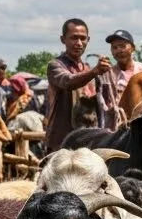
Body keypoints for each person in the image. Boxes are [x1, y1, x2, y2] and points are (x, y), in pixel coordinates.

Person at [46, 18, 111, 149]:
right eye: (74, 38)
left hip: (88, 142)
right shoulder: (55, 66)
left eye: (83, 38)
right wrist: (94, 72)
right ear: (63, 39)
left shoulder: (89, 69)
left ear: (88, 40)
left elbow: (101, 107)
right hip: (61, 142)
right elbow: (68, 82)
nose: (79, 43)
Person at [105, 29, 142, 101]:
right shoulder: (107, 75)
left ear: (133, 48)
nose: (119, 50)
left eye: (122, 46)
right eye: (114, 47)